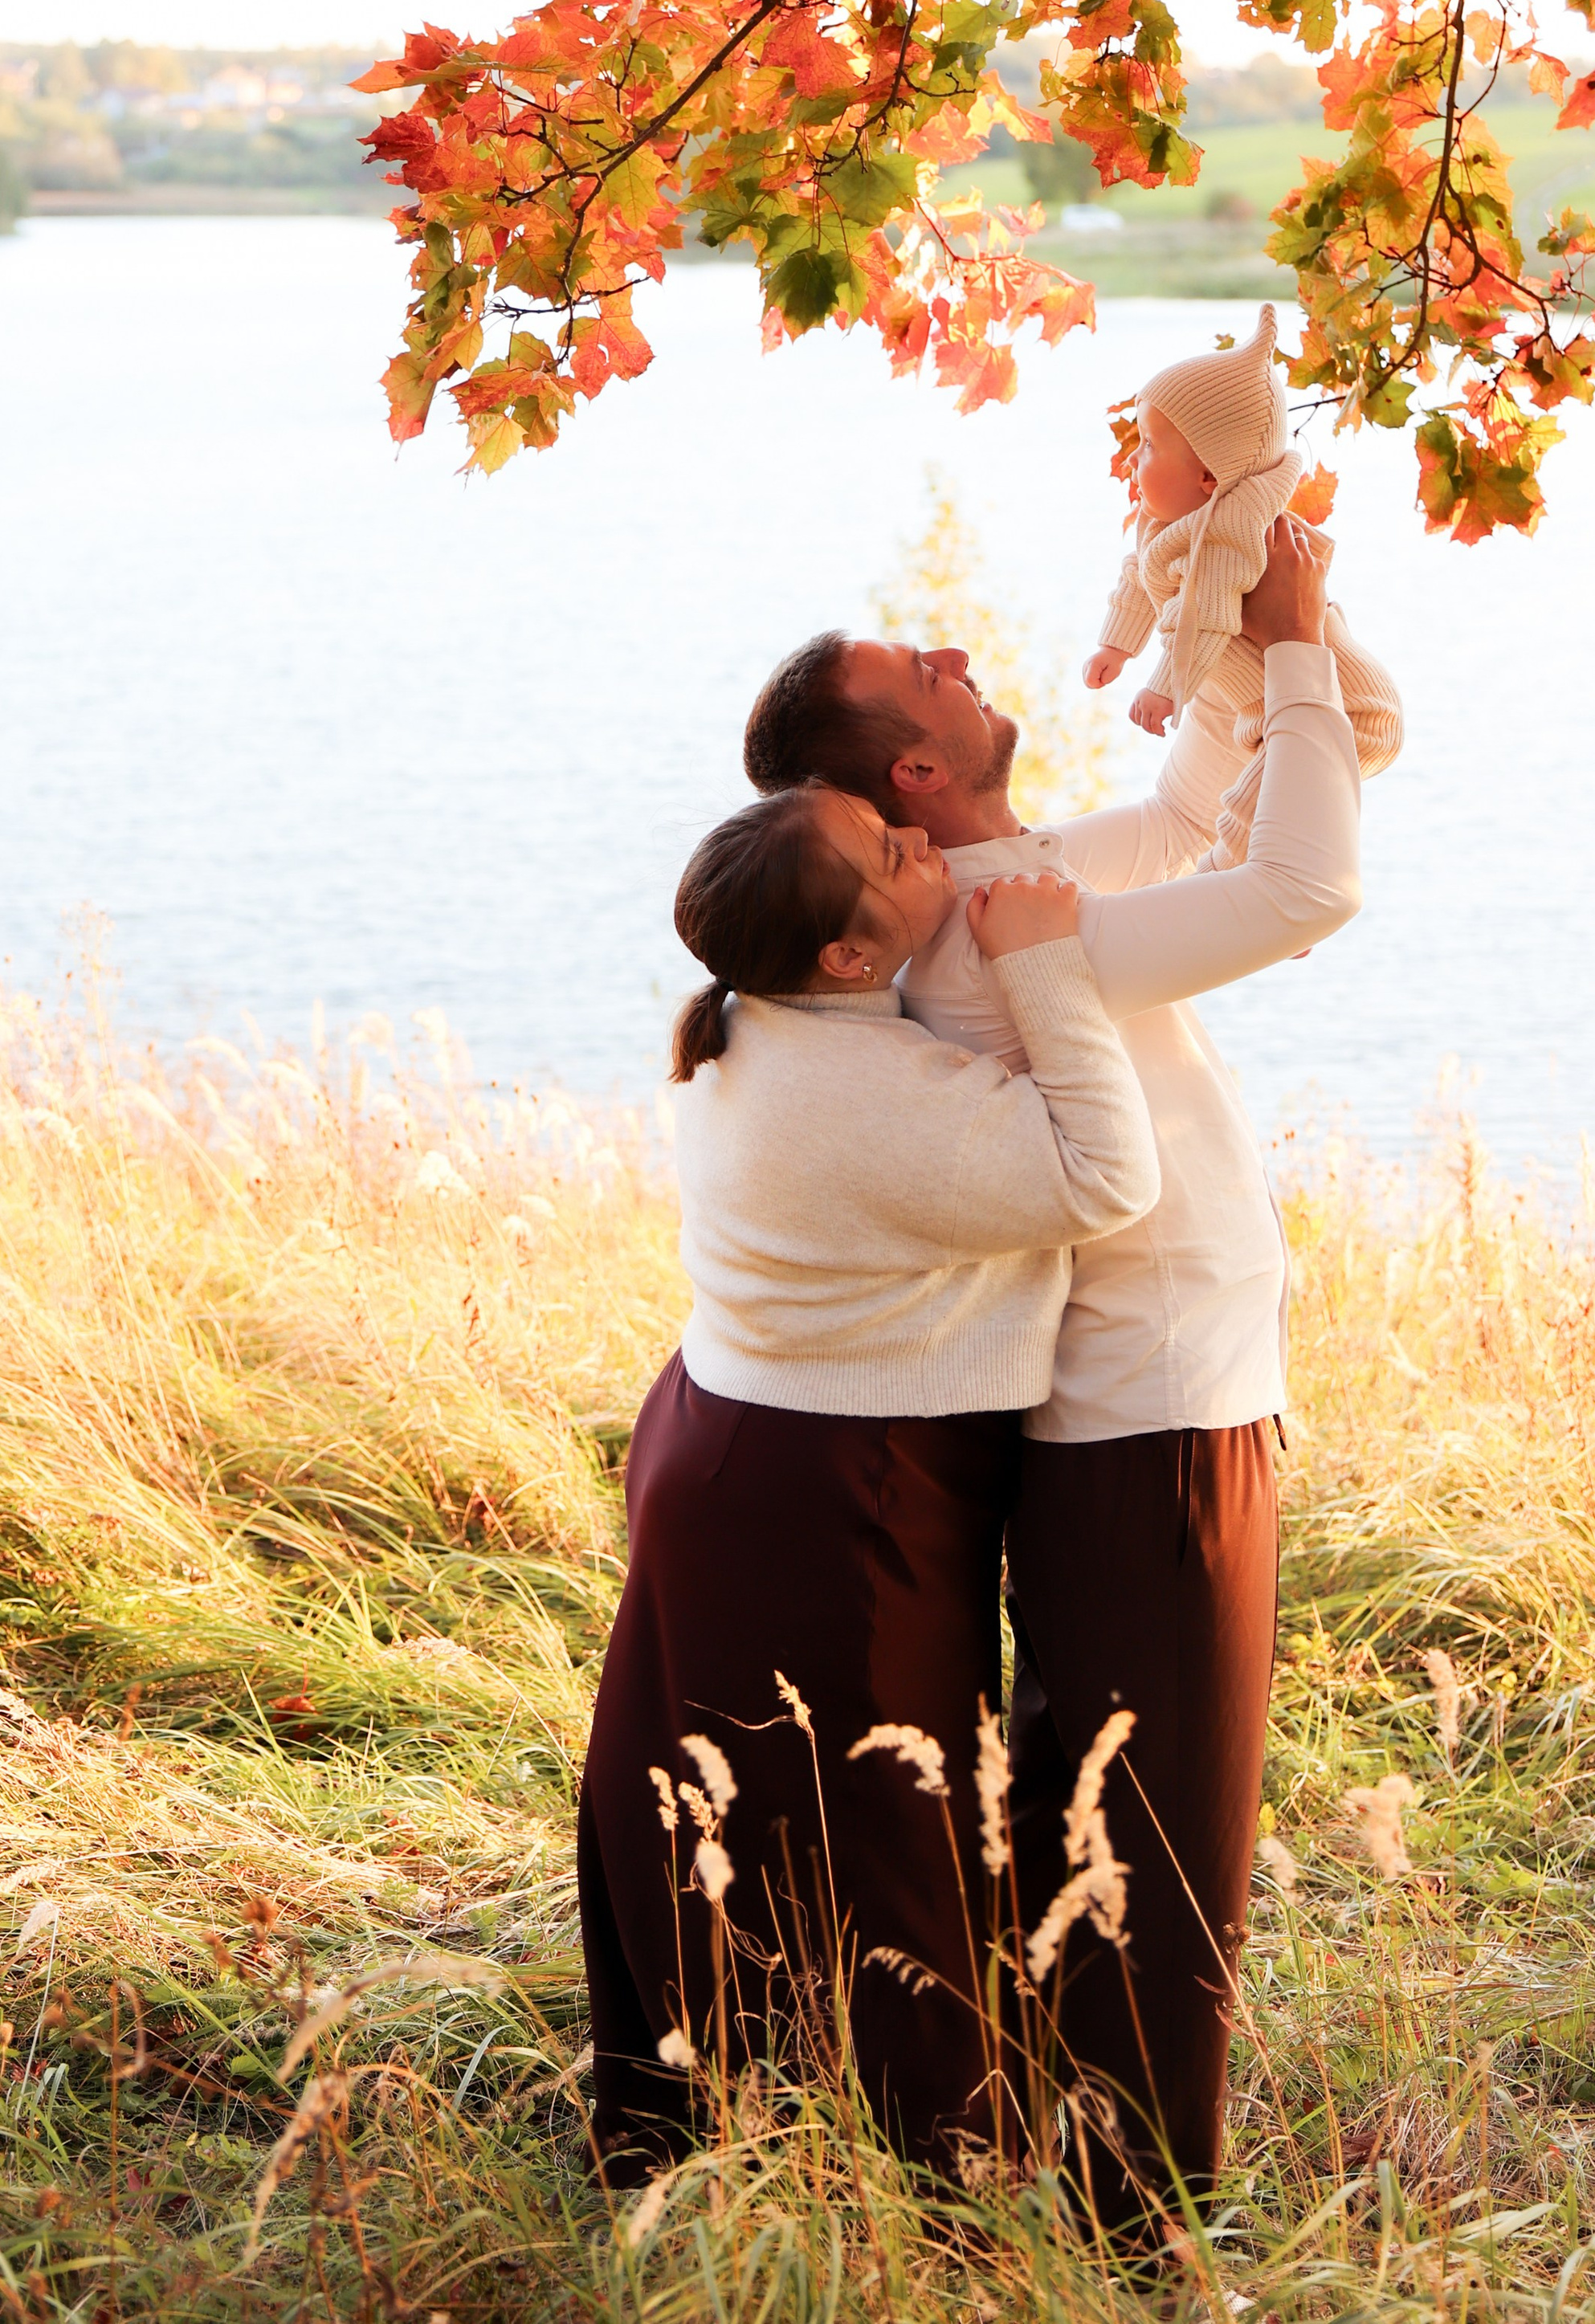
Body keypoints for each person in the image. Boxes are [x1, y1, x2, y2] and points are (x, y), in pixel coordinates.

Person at [739, 511, 1362, 2231]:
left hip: (1141, 1397)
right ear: (918, 770)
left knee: (1108, 1806)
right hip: (1156, 1408)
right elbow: (1303, 888)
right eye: (915, 673)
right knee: (1161, 1844)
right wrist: (1297, 642)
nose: (950, 651)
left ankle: (1071, 2176)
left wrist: (1223, 632)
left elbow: (1176, 824)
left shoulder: (993, 884)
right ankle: (1131, 2229)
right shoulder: (1002, 927)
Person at [577, 782, 1161, 2187]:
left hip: (738, 1437)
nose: (920, 847)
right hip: (818, 1481)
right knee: (878, 1819)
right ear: (847, 955)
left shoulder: (771, 1026)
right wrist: (1040, 962)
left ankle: (710, 2118)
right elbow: (1107, 1178)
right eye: (886, 852)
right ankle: (930, 2173)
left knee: (720, 1792)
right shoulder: (859, 1088)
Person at [1085, 306, 1401, 866]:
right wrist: (1118, 644)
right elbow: (1142, 572)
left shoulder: (1233, 532)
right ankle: (1291, 881)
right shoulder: (1168, 520)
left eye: (1151, 445)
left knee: (1262, 799)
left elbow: (1204, 611)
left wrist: (1166, 685)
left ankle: (1262, 886)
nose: (1136, 456)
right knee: (1286, 780)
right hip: (1277, 705)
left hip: (1355, 710)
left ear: (1210, 477)